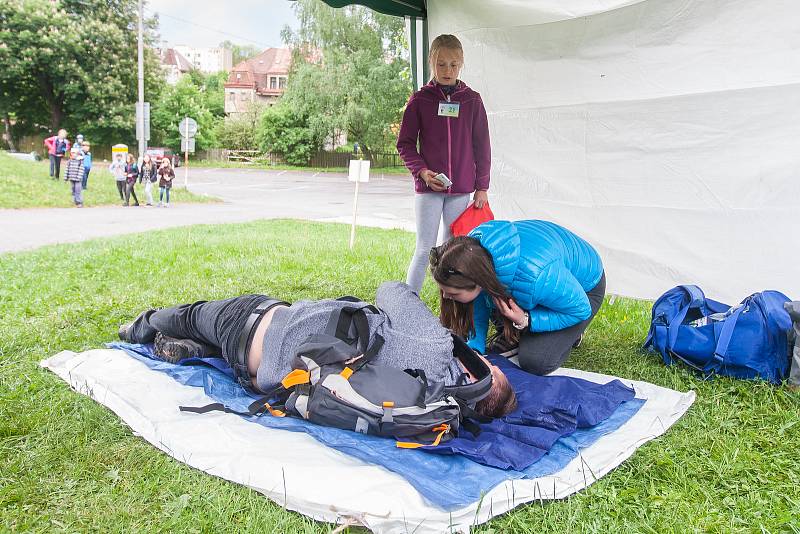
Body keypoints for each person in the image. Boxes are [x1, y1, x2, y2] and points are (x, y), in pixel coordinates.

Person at [117, 281, 517, 418]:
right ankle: (192, 349)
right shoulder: (427, 408)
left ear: (476, 377)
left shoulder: (433, 346)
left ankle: (142, 324)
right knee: (213, 339)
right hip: (266, 379)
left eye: (490, 368)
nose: (485, 358)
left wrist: (435, 326)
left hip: (254, 322)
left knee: (191, 315)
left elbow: (392, 290)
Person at [429, 220, 606, 376]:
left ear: (477, 281)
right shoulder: (471, 256)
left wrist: (525, 320)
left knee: (536, 360)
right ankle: (518, 330)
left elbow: (581, 309)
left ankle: (572, 334)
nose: (445, 296)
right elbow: (479, 301)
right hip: (542, 285)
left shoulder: (537, 276)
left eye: (453, 294)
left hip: (582, 292)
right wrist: (475, 349)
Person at [397, 34, 492, 295]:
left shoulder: (472, 100)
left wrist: (481, 187)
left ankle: (449, 309)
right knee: (424, 247)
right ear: (431, 62)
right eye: (441, 64)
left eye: (453, 64)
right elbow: (404, 144)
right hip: (428, 189)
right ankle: (407, 305)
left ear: (461, 64)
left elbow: (482, 146)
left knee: (451, 250)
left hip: (460, 190)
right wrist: (422, 172)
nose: (447, 70)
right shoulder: (420, 100)